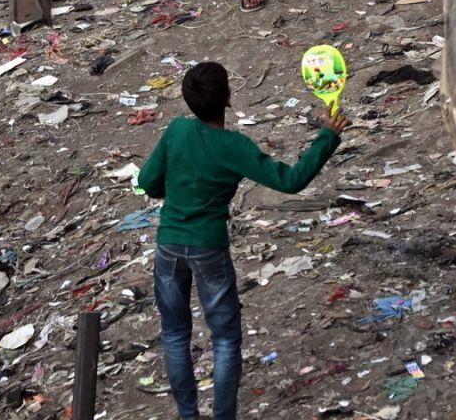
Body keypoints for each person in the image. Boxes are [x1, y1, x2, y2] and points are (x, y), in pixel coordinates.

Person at [138, 61, 348, 419]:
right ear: (228, 100)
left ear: (188, 100)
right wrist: (327, 136)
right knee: (223, 339)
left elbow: (147, 181)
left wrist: (171, 189)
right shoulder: (234, 146)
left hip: (169, 245)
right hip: (209, 249)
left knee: (174, 333)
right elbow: (291, 180)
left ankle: (188, 415)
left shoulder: (176, 132)